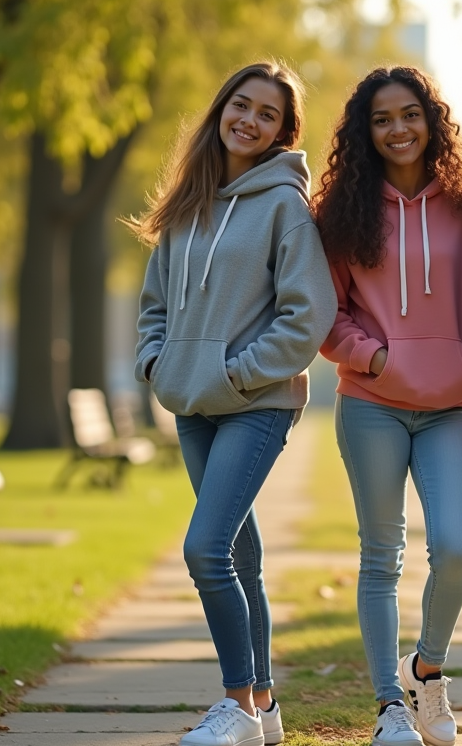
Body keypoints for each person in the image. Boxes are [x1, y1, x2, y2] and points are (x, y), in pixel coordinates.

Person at [131, 62, 338, 746]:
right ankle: (267, 706)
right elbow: (154, 303)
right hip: (190, 403)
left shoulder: (284, 204)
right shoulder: (188, 202)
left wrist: (241, 373)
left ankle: (237, 707)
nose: (249, 120)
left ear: (284, 130)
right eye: (240, 105)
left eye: (267, 113)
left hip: (258, 404)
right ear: (221, 109)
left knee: (206, 549)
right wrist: (157, 364)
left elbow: (307, 314)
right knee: (239, 555)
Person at [313, 66, 462, 746]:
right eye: (382, 119)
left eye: (409, 114)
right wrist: (377, 358)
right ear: (366, 132)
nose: (397, 129)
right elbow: (326, 318)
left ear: (432, 119)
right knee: (380, 554)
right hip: (371, 405)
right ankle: (390, 705)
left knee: (453, 549)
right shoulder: (342, 214)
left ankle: (427, 672)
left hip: (450, 406)